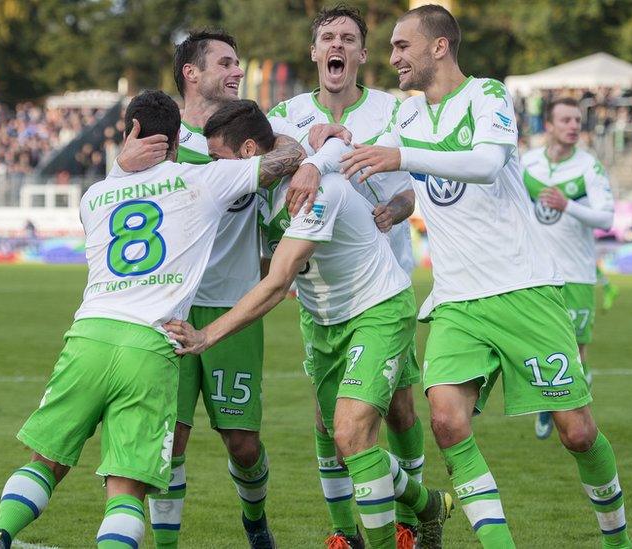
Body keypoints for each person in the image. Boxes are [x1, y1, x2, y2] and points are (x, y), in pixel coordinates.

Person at [327, 5, 632, 547]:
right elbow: (404, 166)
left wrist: (404, 157)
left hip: (523, 289)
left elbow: (486, 163)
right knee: (445, 422)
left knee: (578, 433)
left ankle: (617, 542)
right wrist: (321, 159)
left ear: (438, 47)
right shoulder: (409, 116)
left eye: (402, 46)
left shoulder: (487, 96)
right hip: (456, 298)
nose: (393, 57)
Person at [0, 90, 308, 549]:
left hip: (88, 336)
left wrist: (119, 164)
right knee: (127, 488)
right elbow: (285, 159)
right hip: (151, 345)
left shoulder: (94, 197)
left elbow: (120, 187)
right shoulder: (202, 181)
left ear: (130, 133)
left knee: (46, 460)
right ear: (177, 141)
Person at [165, 100, 453, 549]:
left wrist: (207, 335)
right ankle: (429, 505)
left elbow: (279, 281)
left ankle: (389, 536)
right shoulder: (263, 192)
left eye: (218, 159)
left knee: (352, 434)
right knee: (342, 440)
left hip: (376, 309)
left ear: (245, 152)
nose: (212, 169)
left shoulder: (316, 192)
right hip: (322, 321)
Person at [113, 30, 291, 549]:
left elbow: (289, 163)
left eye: (239, 62)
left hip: (232, 303)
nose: (238, 71)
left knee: (242, 443)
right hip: (169, 304)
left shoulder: (254, 136)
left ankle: (255, 522)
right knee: (170, 440)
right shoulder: (161, 145)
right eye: (226, 63)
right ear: (191, 72)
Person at [266, 5, 424, 547]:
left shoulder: (393, 110)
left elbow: (425, 175)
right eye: (328, 37)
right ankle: (343, 533)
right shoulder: (284, 116)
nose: (337, 45)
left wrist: (404, 204)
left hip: (384, 281)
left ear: (361, 53)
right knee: (327, 416)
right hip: (322, 292)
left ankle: (409, 522)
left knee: (398, 408)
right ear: (315, 53)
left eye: (349, 38)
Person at [520, 97, 615, 439]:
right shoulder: (527, 163)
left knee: (576, 352)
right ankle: (551, 405)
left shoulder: (589, 167)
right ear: (549, 126)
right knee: (541, 346)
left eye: (577, 120)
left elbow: (606, 217)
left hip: (576, 274)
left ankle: (569, 416)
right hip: (535, 273)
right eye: (566, 120)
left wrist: (568, 205)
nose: (574, 126)